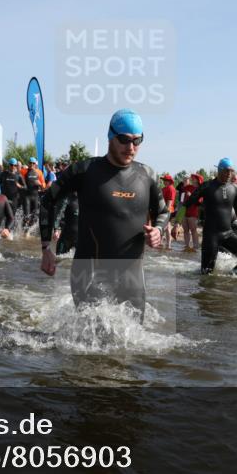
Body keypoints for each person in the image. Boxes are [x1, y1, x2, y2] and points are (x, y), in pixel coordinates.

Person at [39, 109, 168, 321]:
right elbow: (47, 201)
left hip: (132, 278)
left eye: (137, 141)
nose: (131, 147)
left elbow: (163, 211)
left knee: (134, 347)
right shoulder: (84, 171)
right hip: (89, 274)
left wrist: (158, 230)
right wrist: (46, 247)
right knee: (91, 345)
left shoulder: (147, 175)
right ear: (111, 136)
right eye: (124, 140)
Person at [182, 158, 237, 275]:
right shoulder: (206, 186)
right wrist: (176, 223)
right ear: (219, 170)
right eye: (226, 171)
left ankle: (231, 277)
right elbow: (186, 205)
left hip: (228, 234)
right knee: (206, 273)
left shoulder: (234, 189)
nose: (229, 174)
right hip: (211, 236)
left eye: (231, 171)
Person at [176, 173, 203, 252]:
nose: (192, 179)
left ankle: (196, 246)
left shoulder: (200, 189)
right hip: (184, 211)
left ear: (198, 180)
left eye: (194, 178)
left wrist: (192, 195)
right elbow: (178, 188)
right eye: (192, 178)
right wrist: (184, 181)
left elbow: (200, 202)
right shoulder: (188, 187)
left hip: (193, 212)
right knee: (185, 230)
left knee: (193, 230)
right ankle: (186, 246)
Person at [21, 156, 46, 228]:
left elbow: (44, 184)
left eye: (33, 163)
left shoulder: (39, 172)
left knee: (35, 217)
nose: (31, 164)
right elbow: (18, 179)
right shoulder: (24, 171)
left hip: (35, 197)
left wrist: (40, 184)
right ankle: (24, 233)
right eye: (30, 163)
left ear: (35, 164)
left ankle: (29, 231)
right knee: (27, 216)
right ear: (28, 163)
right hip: (27, 197)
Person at [160, 173, 177, 250]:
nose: (164, 181)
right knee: (166, 227)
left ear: (170, 181)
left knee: (166, 227)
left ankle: (168, 244)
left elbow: (170, 200)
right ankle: (164, 244)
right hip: (163, 209)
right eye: (164, 180)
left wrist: (166, 211)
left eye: (166, 180)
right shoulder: (164, 188)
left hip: (168, 210)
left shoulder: (171, 188)